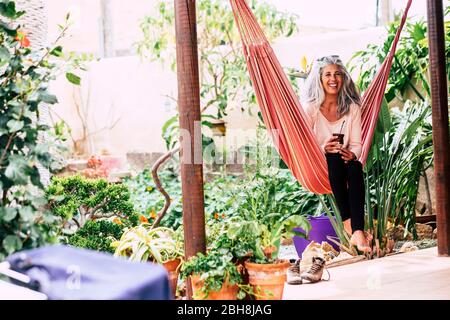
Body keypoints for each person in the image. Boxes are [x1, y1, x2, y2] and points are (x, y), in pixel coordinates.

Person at [301, 55, 372, 253]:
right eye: (328, 74)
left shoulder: (352, 108)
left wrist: (352, 154)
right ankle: (351, 223)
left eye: (338, 74)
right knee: (332, 157)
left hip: (345, 161)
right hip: (321, 163)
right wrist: (324, 148)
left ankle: (356, 230)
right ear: (320, 79)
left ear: (343, 78)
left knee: (356, 166)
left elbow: (357, 144)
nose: (333, 79)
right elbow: (305, 144)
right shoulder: (311, 109)